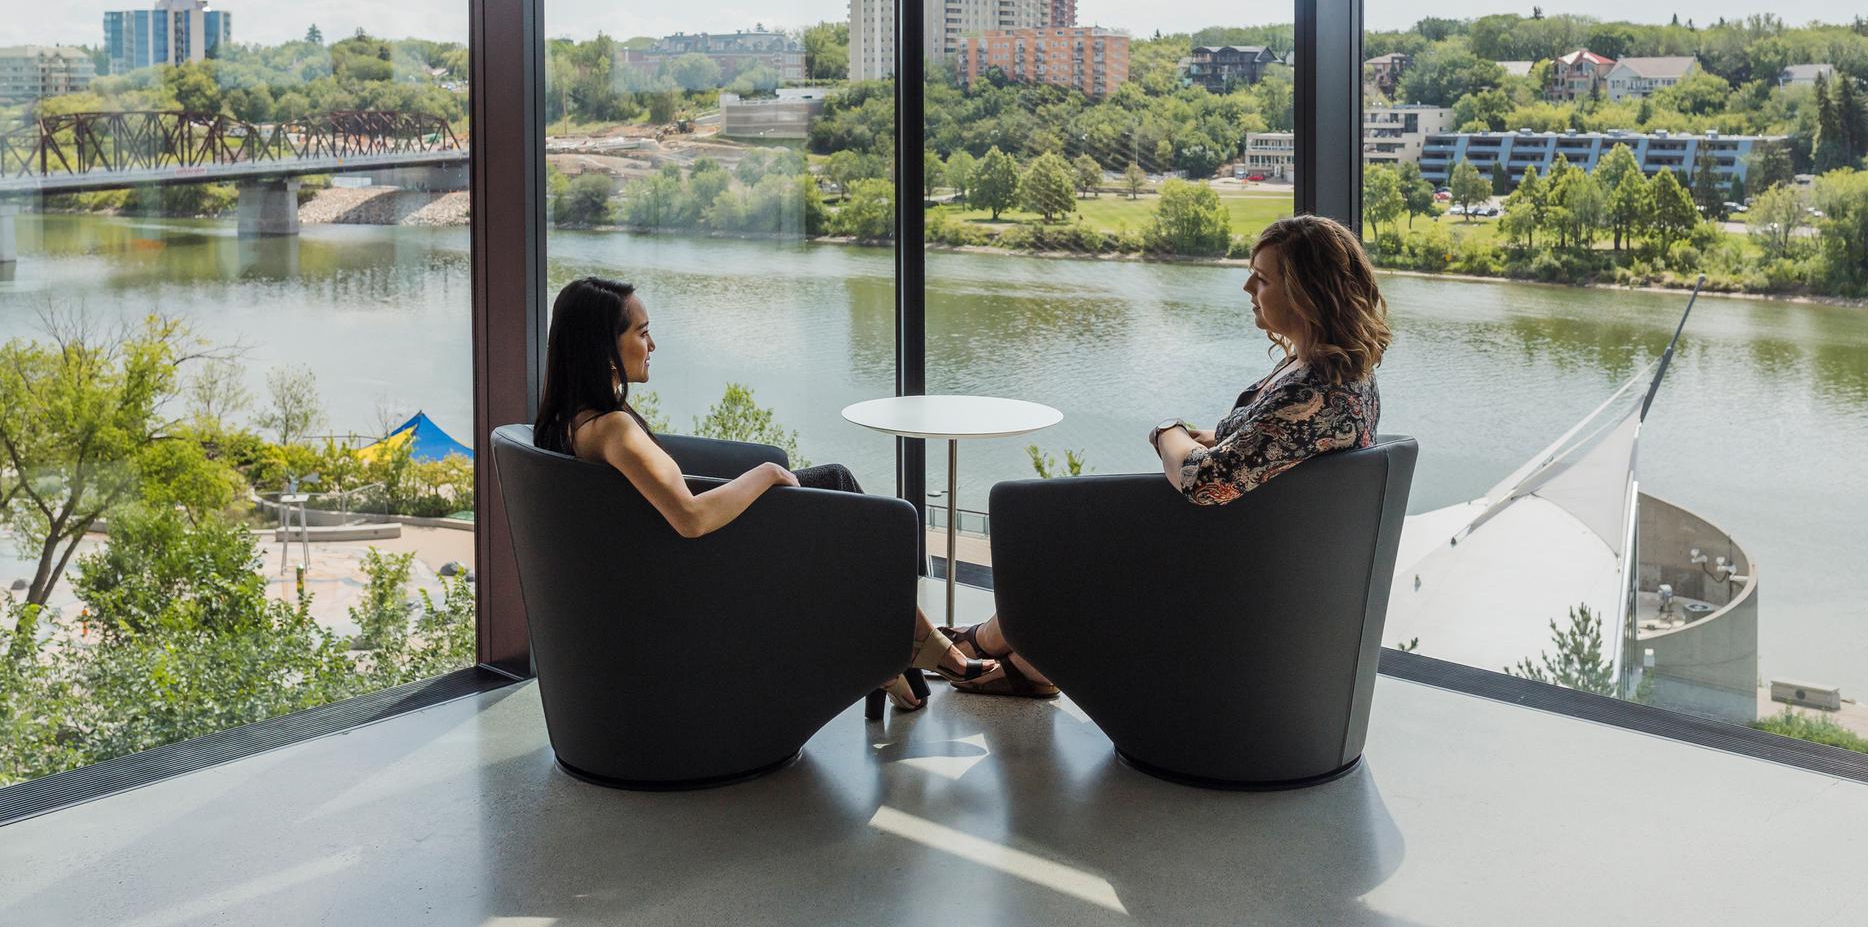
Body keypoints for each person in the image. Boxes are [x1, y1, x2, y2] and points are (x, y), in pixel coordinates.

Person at [943, 214, 1390, 698]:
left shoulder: (1315, 387)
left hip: (1237, 577)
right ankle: (1025, 658)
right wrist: (1218, 436)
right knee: (1086, 528)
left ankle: (989, 643)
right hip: (1259, 554)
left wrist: (1167, 433)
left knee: (1074, 531)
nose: (1246, 287)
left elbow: (1205, 483)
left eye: (1262, 278)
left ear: (1308, 291)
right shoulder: (1339, 374)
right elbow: (1273, 446)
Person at [533, 275, 995, 711]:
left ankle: (905, 648)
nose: (652, 345)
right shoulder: (614, 429)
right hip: (699, 578)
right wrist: (768, 472)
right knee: (839, 491)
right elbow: (690, 517)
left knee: (836, 498)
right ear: (604, 346)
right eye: (642, 332)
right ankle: (911, 648)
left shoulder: (569, 424)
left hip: (665, 570)